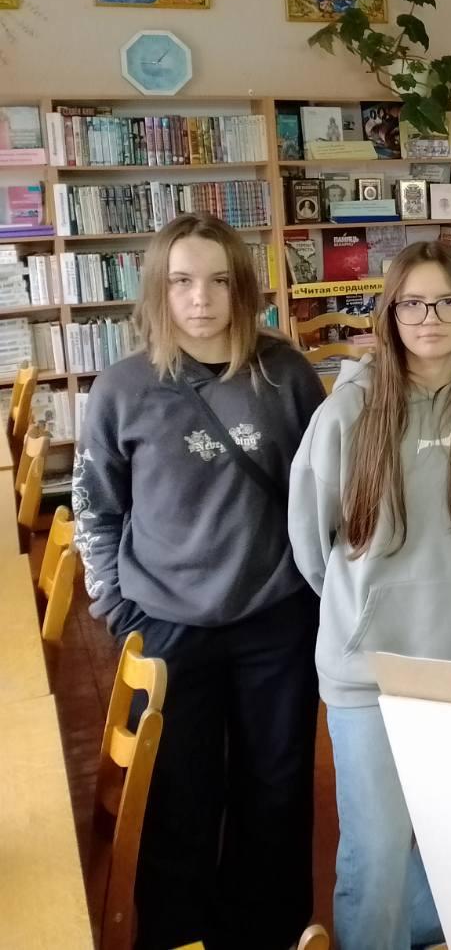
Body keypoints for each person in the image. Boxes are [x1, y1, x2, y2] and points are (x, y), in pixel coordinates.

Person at [73, 214, 325, 950]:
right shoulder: (122, 388)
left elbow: (325, 491)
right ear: (159, 289)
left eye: (218, 281)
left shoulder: (287, 375)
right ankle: (179, 936)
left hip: (273, 619)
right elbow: (95, 506)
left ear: (243, 288)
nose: (201, 298)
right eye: (182, 281)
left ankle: (269, 933)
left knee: (275, 790)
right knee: (176, 797)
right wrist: (117, 607)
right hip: (166, 626)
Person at [288, 243, 451, 950]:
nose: (429, 318)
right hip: (371, 672)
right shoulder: (349, 412)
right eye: (412, 303)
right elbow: (311, 542)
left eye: (447, 302)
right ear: (389, 314)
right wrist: (365, 609)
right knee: (377, 853)